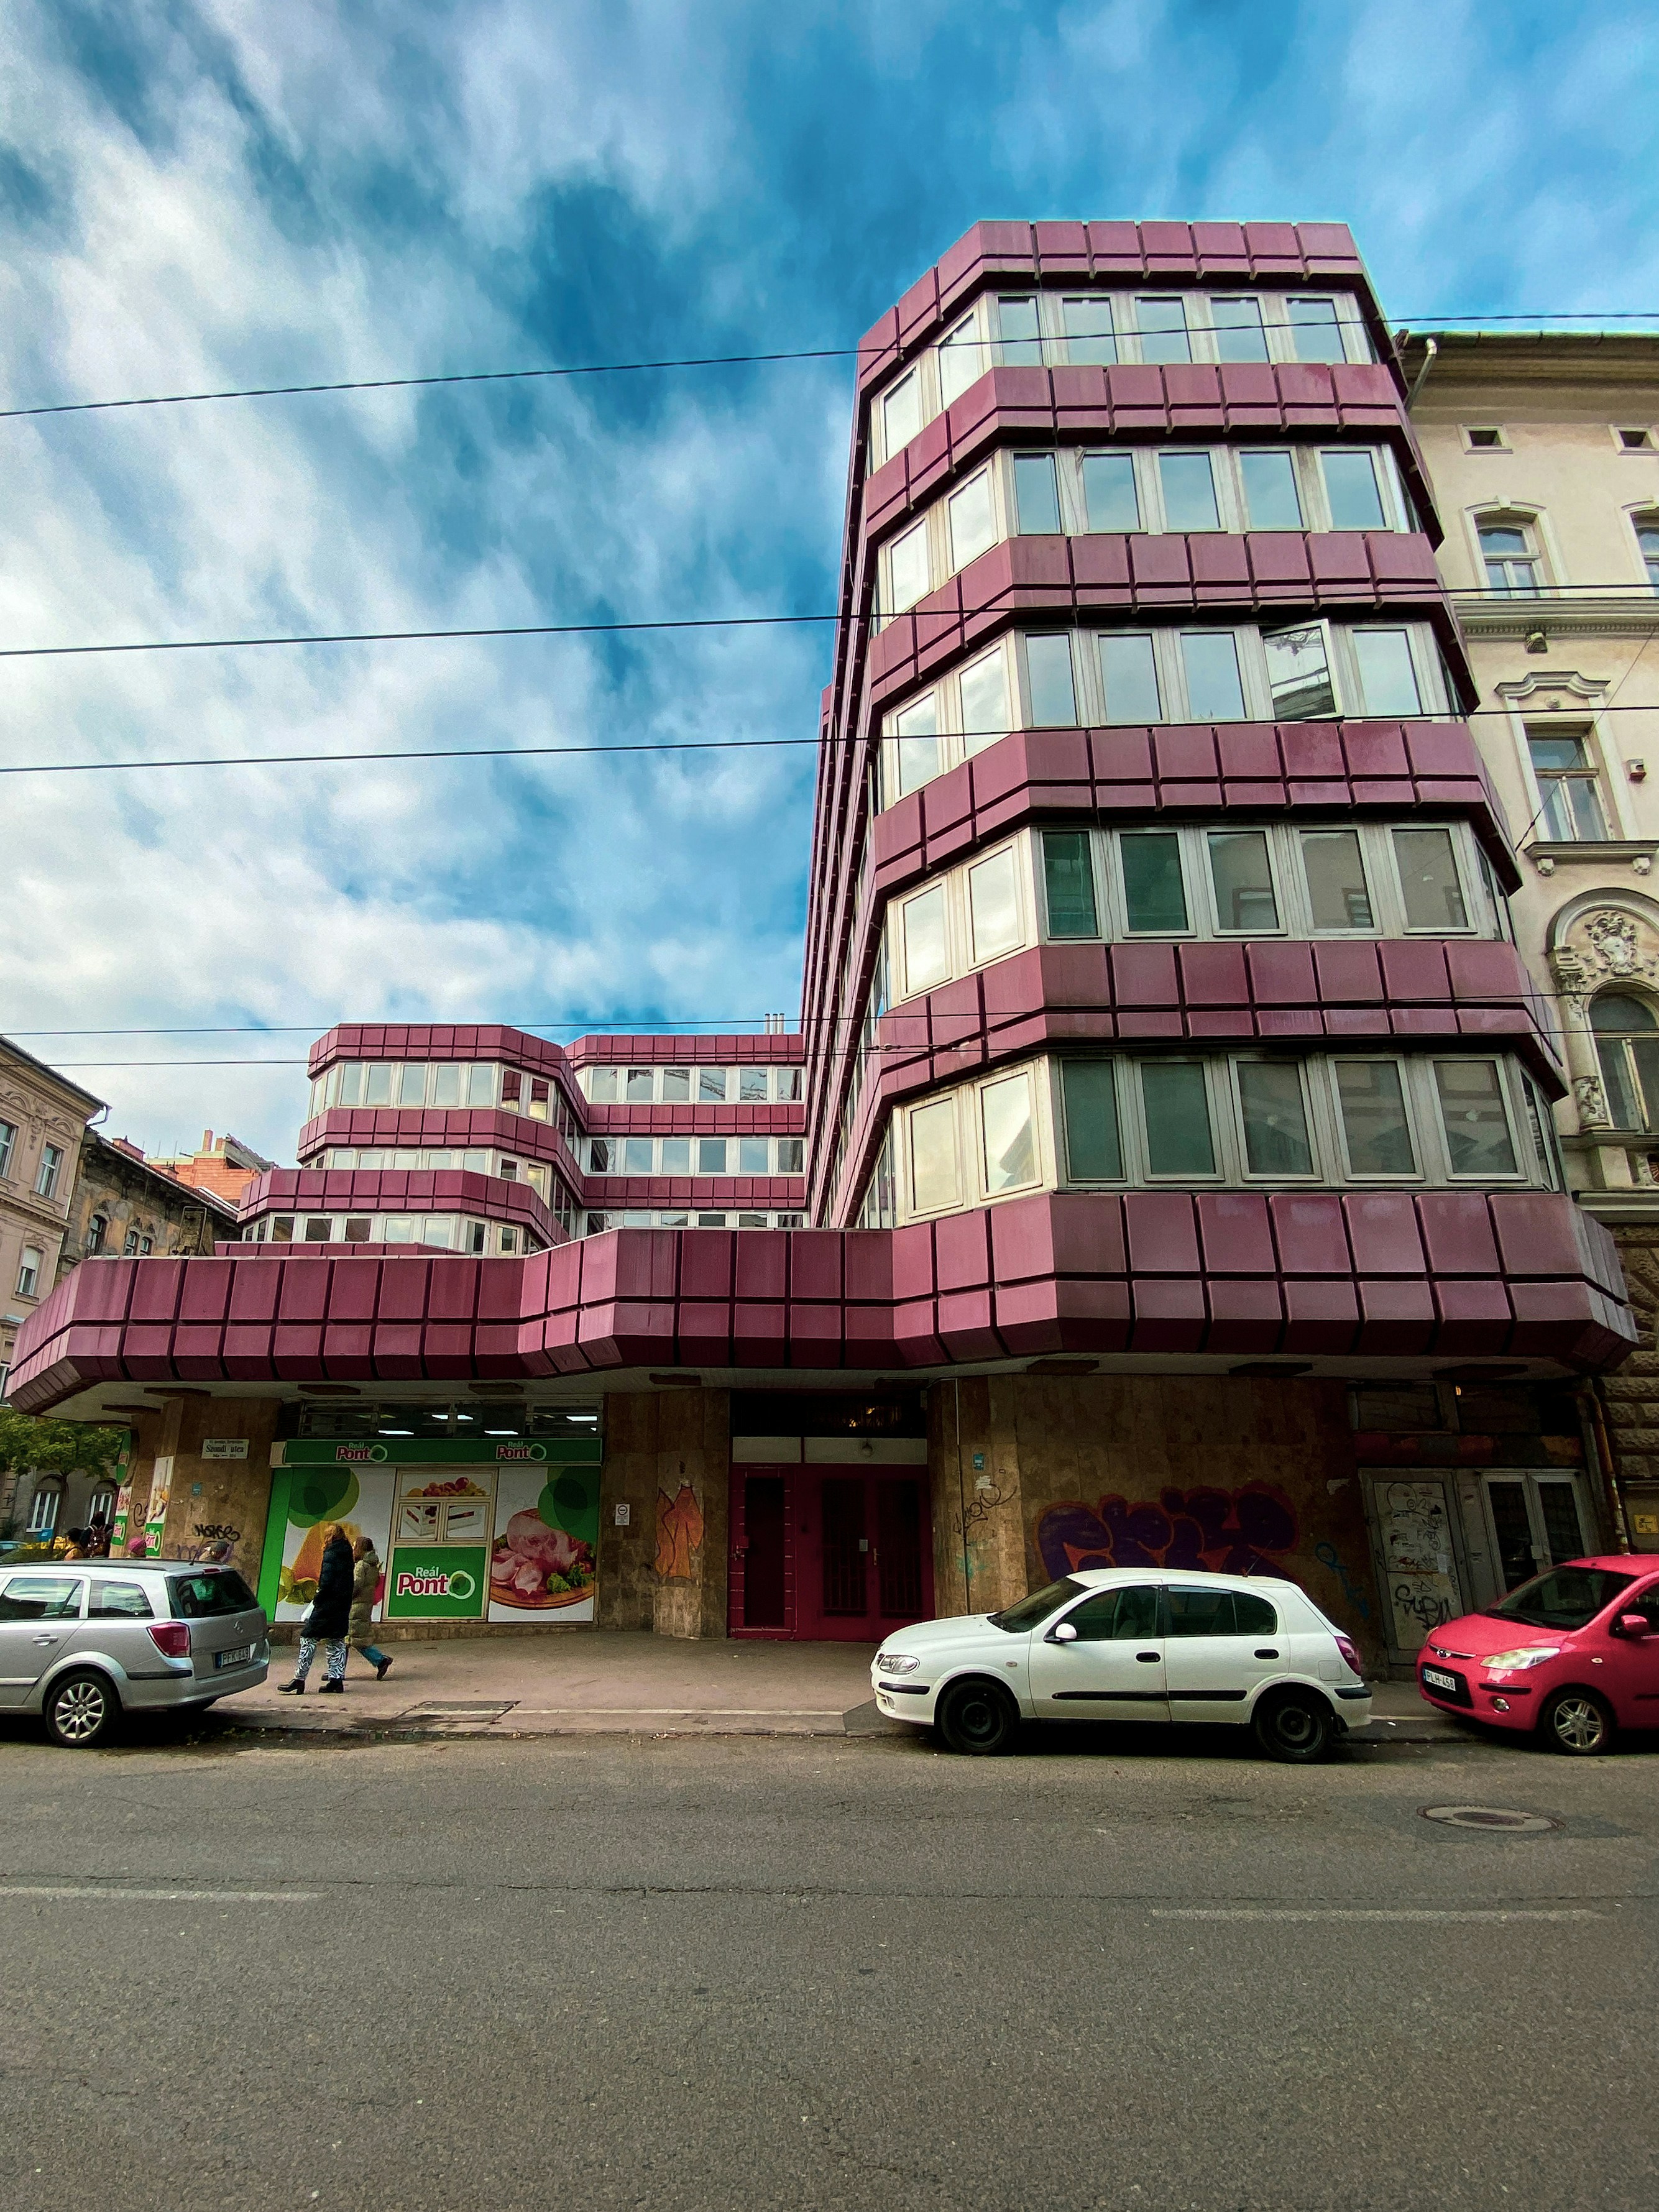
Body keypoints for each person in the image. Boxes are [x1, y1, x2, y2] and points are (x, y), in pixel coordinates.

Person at [278, 1521, 354, 1694]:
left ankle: (299, 1679)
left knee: (308, 1639)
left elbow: (326, 1582)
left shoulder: (331, 1553)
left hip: (327, 1606)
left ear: (329, 1537)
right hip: (342, 1606)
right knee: (336, 1641)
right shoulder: (347, 1553)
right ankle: (336, 1681)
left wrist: (318, 1600)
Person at [349, 1535, 393, 1680]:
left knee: (354, 1639)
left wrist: (344, 1595)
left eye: (355, 1546)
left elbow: (356, 1585)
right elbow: (375, 1583)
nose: (353, 1549)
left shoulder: (361, 1566)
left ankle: (380, 1660)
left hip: (355, 1606)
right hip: (365, 1604)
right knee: (350, 1638)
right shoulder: (373, 1566)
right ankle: (336, 1672)